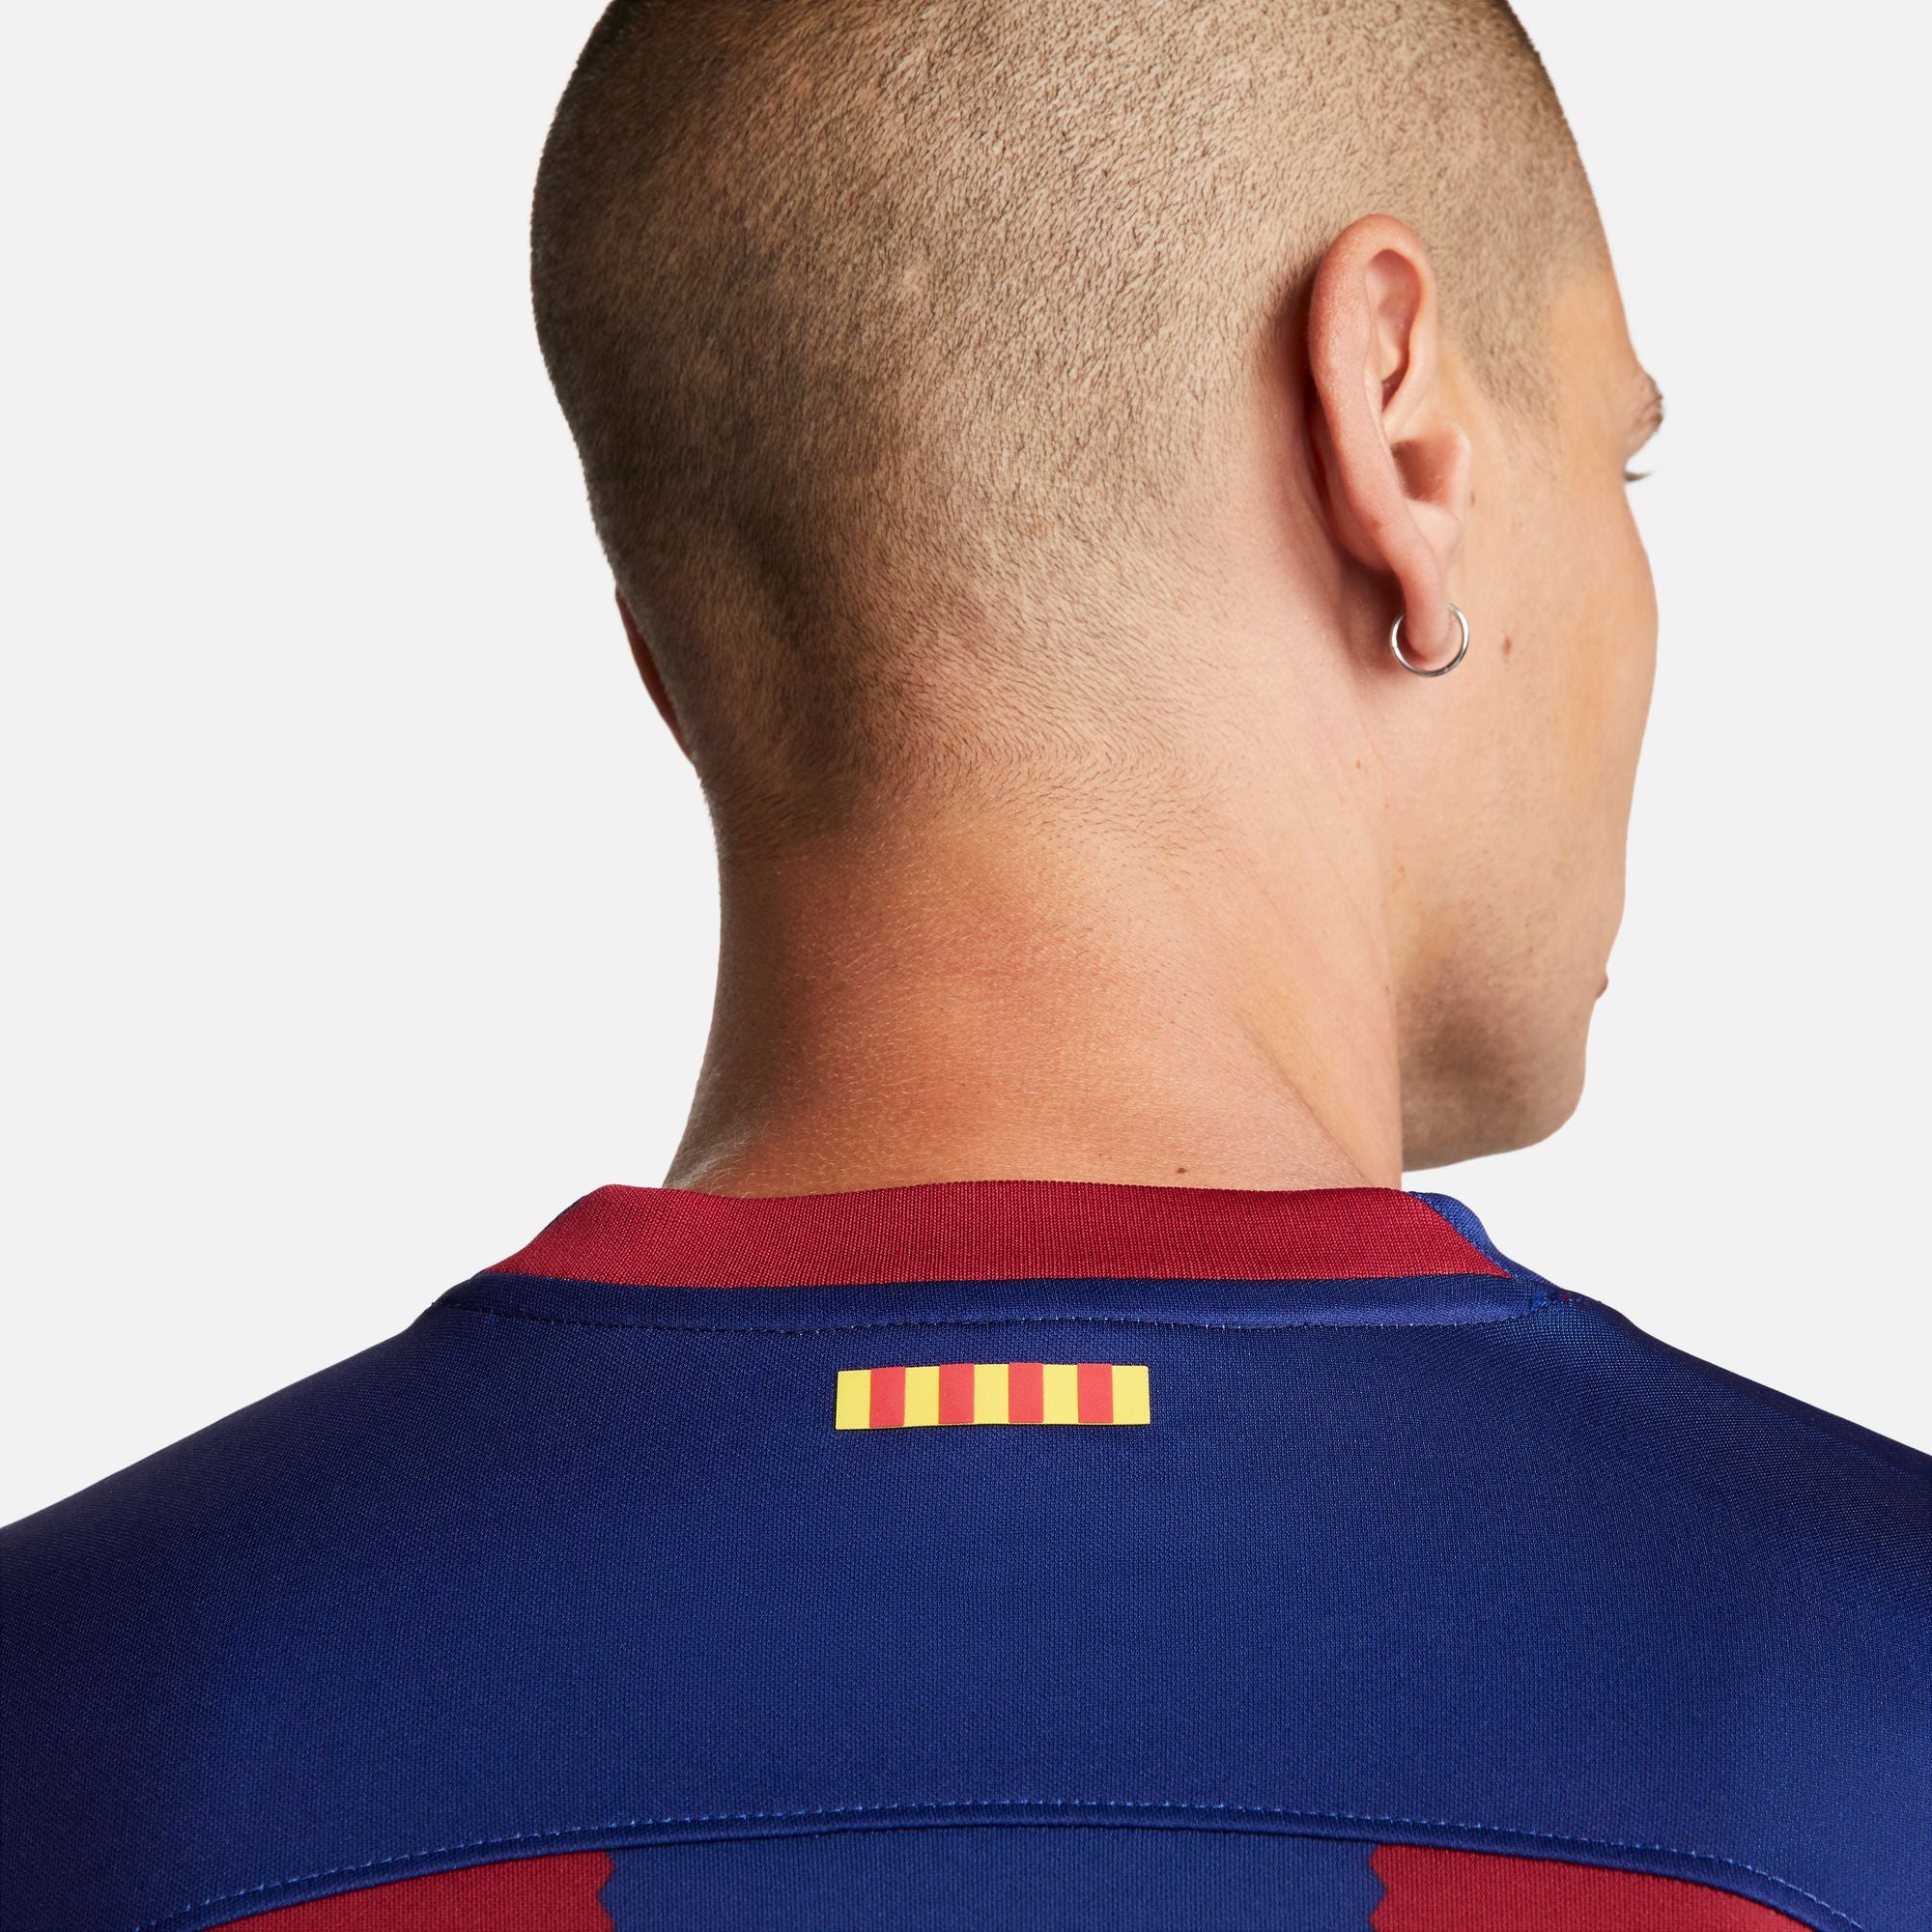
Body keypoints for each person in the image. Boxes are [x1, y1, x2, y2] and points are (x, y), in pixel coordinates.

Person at [4, 2, 1924, 1928]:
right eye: (1623, 465)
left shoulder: (71, 1717)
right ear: (1400, 440)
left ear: (672, 652)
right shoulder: (1873, 1701)